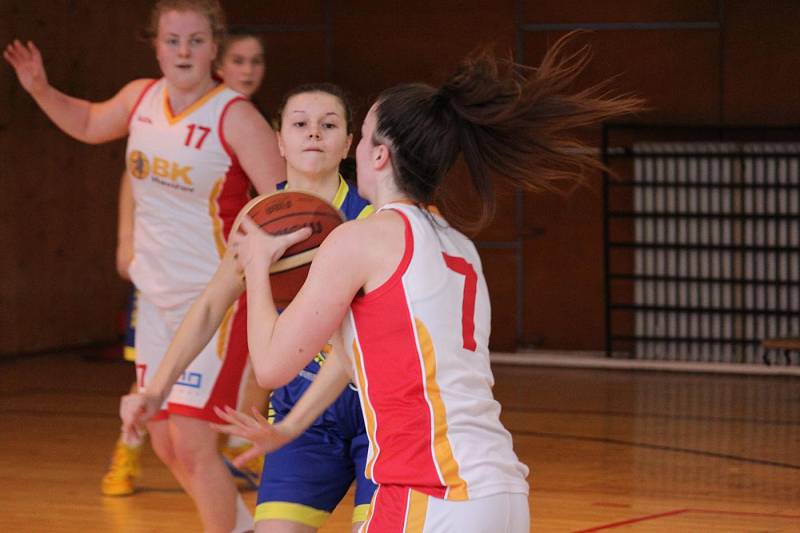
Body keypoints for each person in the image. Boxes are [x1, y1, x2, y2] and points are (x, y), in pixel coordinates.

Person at [210, 34, 644, 531]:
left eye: (365, 133)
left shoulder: (360, 240)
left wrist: (261, 265)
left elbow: (269, 366)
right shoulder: (459, 246)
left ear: (377, 155)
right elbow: (358, 356)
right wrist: (290, 426)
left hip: (429, 492)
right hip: (500, 489)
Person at [4, 0, 285, 530]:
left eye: (196, 41)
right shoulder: (140, 98)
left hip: (215, 301)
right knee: (163, 440)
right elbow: (88, 121)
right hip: (155, 301)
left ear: (214, 48)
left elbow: (282, 200)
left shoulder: (235, 115)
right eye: (172, 40)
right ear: (154, 44)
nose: (183, 51)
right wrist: (40, 88)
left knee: (194, 441)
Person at [121, 83, 377, 532]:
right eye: (300, 124)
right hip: (302, 407)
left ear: (348, 143)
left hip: (376, 411)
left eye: (329, 125)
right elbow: (210, 306)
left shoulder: (373, 218)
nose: (313, 133)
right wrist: (156, 390)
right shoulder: (257, 218)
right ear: (279, 140)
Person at [99, 26, 271, 497]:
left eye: (256, 62)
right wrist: (125, 237)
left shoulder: (249, 125)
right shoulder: (168, 112)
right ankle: (127, 450)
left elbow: (277, 201)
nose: (248, 71)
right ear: (218, 61)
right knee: (154, 390)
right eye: (239, 61)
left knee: (243, 374)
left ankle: (235, 446)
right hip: (161, 276)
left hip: (216, 281)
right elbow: (137, 175)